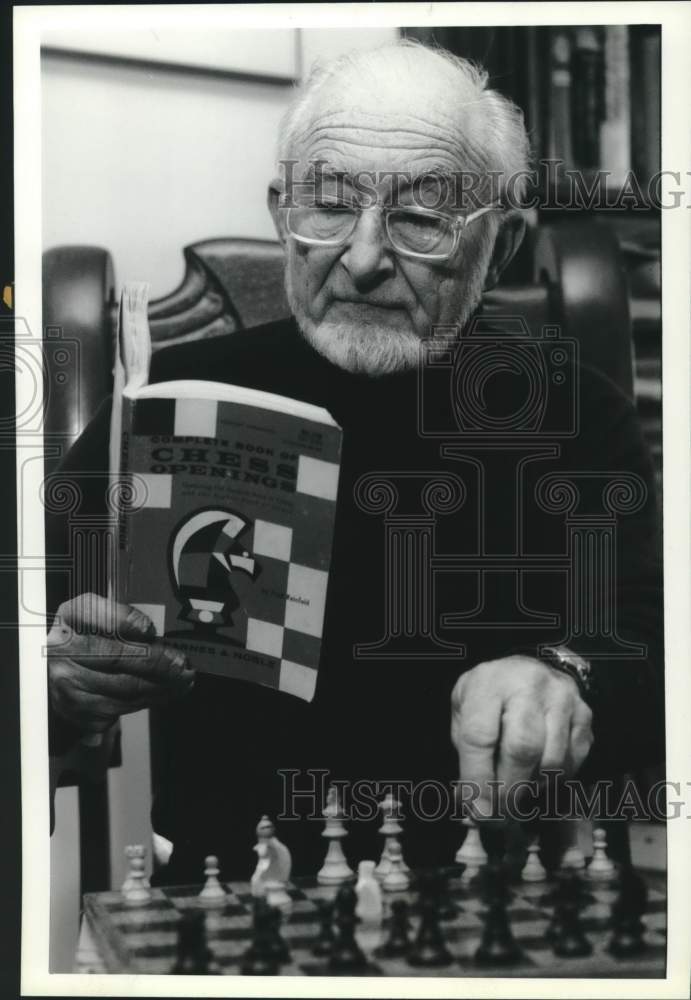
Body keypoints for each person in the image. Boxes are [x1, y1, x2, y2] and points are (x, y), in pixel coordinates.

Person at [46, 41, 663, 877]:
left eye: (421, 217)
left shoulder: (579, 413)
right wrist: (58, 681)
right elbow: (33, 636)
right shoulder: (179, 398)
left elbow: (647, 657)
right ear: (279, 213)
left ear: (502, 244)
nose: (363, 258)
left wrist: (564, 674)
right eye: (328, 205)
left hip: (484, 885)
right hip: (235, 891)